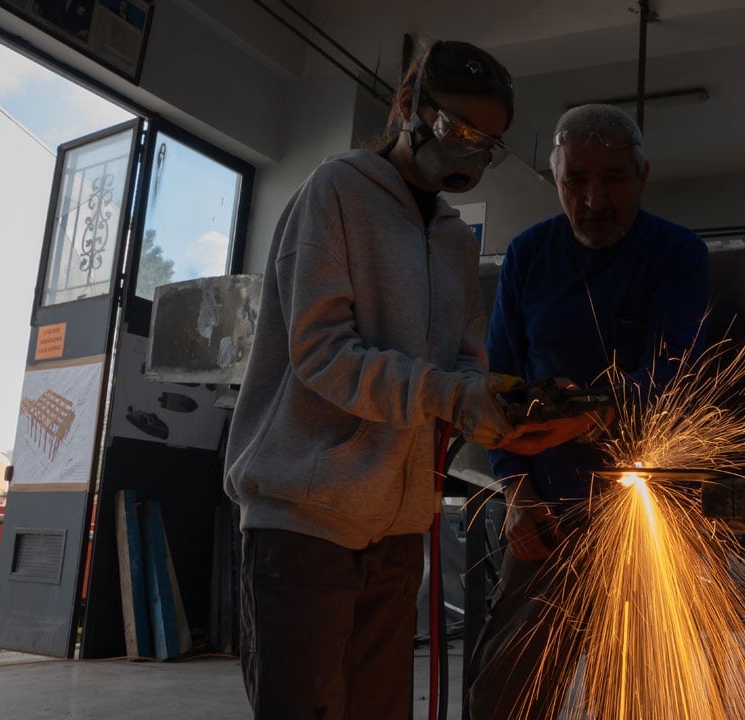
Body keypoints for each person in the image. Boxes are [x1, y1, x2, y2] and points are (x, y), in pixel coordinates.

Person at [224, 40, 519, 720]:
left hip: (396, 529)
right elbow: (322, 354)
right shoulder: (335, 192)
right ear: (408, 106)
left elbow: (464, 361)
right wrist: (452, 395)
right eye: (457, 131)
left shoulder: (454, 239)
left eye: (487, 144)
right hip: (306, 520)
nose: (470, 154)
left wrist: (489, 404)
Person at [467, 104, 710, 719]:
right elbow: (500, 387)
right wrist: (517, 492)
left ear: (642, 175)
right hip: (547, 511)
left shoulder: (677, 253)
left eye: (614, 179)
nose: (594, 200)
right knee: (506, 694)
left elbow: (675, 372)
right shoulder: (528, 255)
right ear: (556, 178)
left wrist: (597, 414)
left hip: (647, 505)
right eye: (576, 180)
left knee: (637, 694)